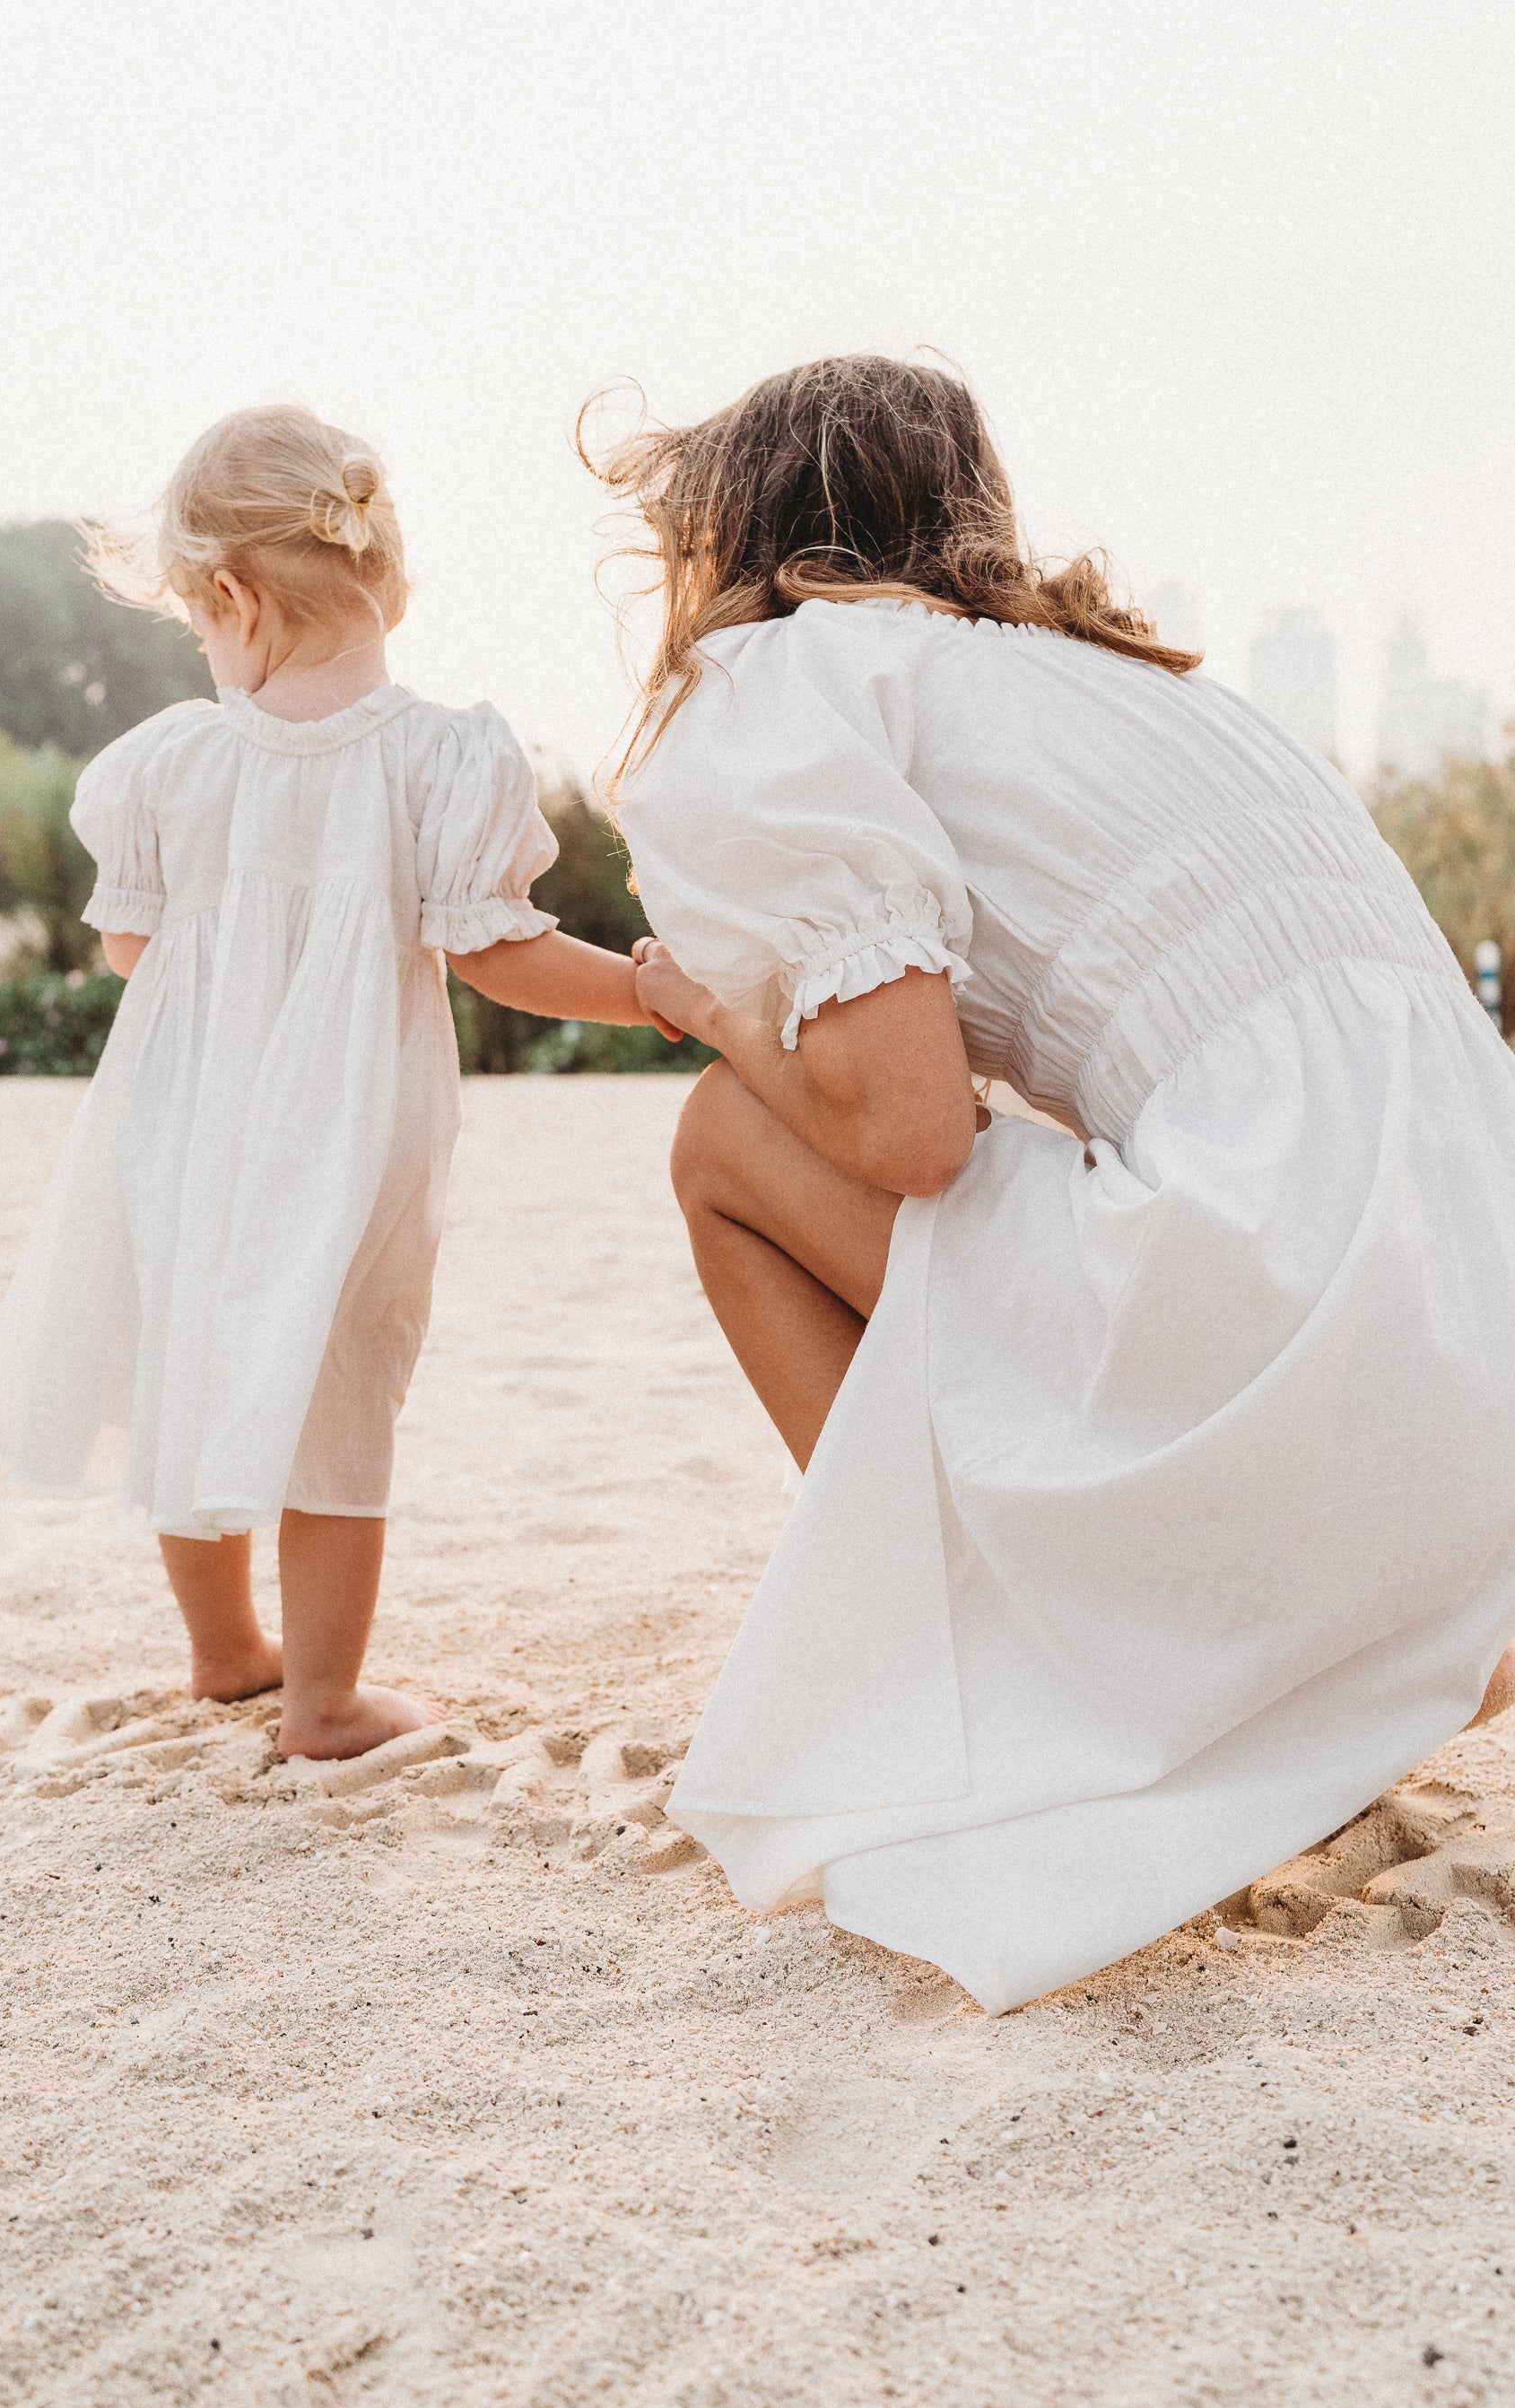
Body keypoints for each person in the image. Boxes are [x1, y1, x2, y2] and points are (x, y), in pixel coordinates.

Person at [589, 354, 1515, 2014]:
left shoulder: (795, 683)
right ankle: (1306, 1647)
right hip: (1469, 1385)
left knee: (727, 1143)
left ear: (742, 532)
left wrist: (712, 1013)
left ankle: (940, 1676)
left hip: (1293, 1310)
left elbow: (913, 1137)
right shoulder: (1141, 683)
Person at [0, 404, 666, 1760]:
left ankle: (225, 1651)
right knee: (342, 1380)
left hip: (180, 1126)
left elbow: (125, 944)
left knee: (192, 1352)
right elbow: (500, 953)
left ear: (230, 598)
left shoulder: (166, 762)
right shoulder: (440, 755)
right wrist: (642, 988)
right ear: (382, 572)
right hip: (353, 1134)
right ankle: (324, 1702)